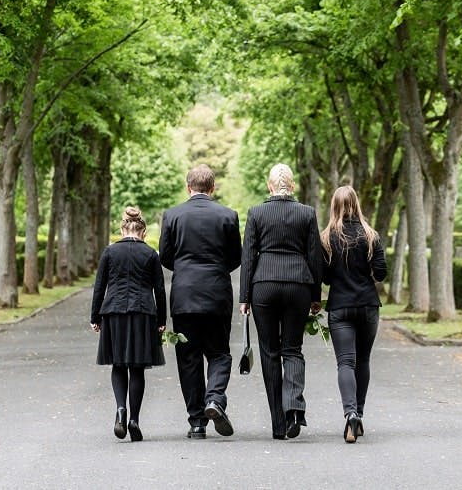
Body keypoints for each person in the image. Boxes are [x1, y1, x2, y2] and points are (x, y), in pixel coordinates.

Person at [238, 163, 323, 440]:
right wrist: (315, 296)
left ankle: (278, 423)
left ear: (269, 185)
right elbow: (314, 257)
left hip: (264, 284)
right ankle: (294, 408)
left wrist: (244, 297)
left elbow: (248, 256)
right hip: (298, 284)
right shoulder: (307, 214)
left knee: (269, 352)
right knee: (293, 349)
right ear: (293, 186)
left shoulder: (257, 213)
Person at [159, 164, 242, 439]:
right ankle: (215, 399)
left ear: (188, 187)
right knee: (219, 352)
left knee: (188, 357)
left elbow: (165, 256)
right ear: (213, 187)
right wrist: (216, 270)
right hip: (217, 292)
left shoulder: (172, 216)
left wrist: (184, 270)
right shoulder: (228, 216)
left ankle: (197, 422)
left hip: (184, 294)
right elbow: (236, 257)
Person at [91, 207, 167, 442]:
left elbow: (99, 287)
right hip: (143, 312)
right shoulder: (151, 255)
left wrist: (95, 317)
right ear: (142, 231)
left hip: (113, 312)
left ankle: (120, 410)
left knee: (118, 364)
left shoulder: (110, 252)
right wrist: (162, 320)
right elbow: (160, 290)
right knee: (137, 367)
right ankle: (134, 419)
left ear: (123, 229)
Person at [320, 186, 387, 443]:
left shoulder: (326, 238)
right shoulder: (370, 235)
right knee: (363, 360)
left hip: (340, 307)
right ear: (356, 204)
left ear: (334, 206)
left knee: (345, 362)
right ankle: (358, 412)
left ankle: (349, 413)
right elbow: (381, 272)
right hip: (368, 305)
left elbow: (323, 276)